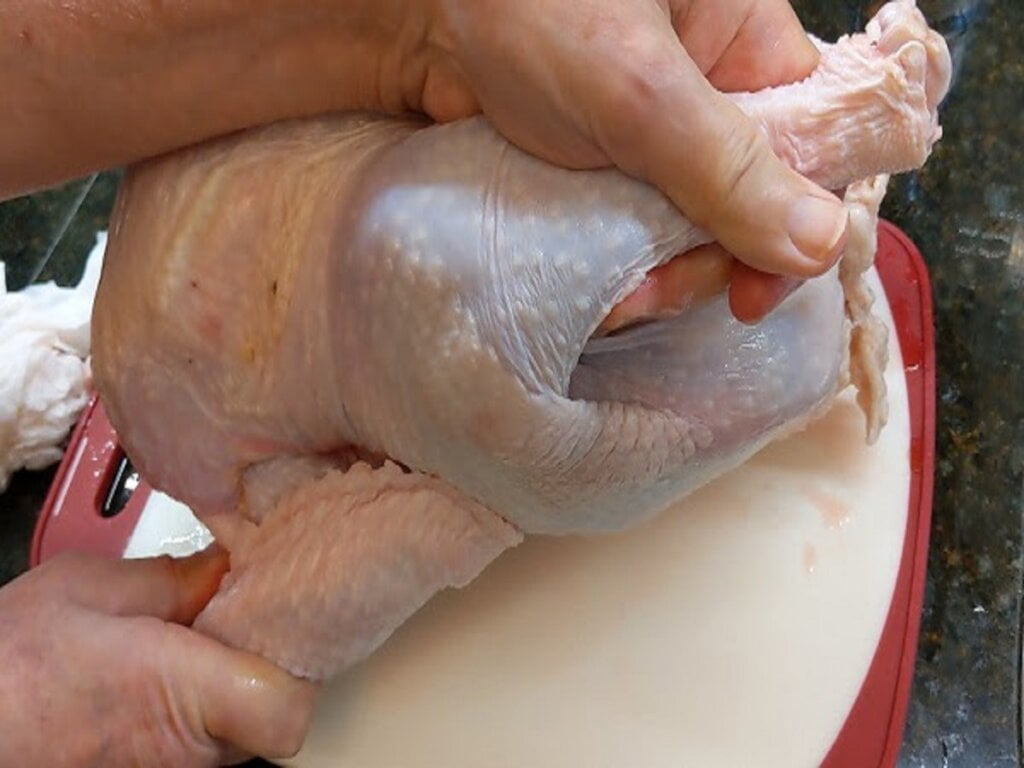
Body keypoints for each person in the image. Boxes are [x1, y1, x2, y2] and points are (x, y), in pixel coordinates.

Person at [0, 0, 848, 764]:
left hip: (207, 355)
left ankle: (810, 135)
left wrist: (433, 23)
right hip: (218, 370)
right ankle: (819, 130)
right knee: (779, 339)